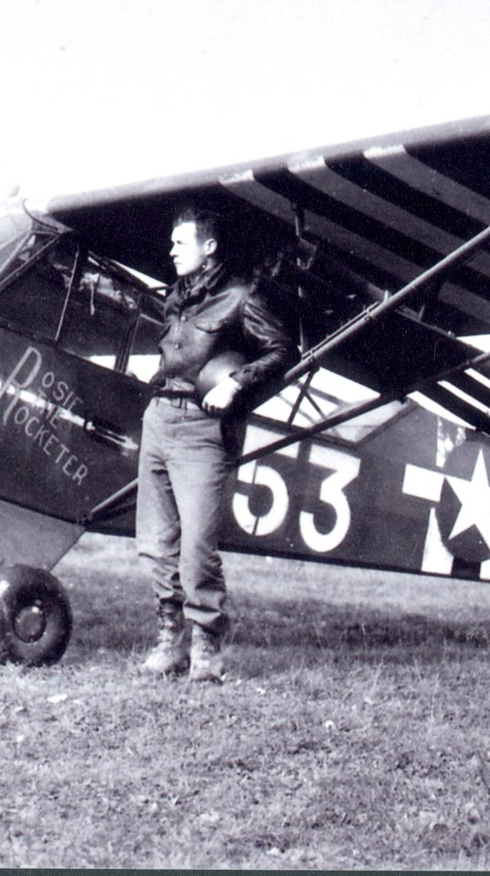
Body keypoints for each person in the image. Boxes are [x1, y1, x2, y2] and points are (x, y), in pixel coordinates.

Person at [136, 206, 294, 683]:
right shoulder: (176, 297)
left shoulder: (242, 296)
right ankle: (171, 644)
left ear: (209, 248)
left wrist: (237, 383)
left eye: (180, 243)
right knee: (156, 544)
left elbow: (283, 350)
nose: (171, 251)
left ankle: (207, 650)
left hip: (204, 433)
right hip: (159, 421)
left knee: (197, 549)